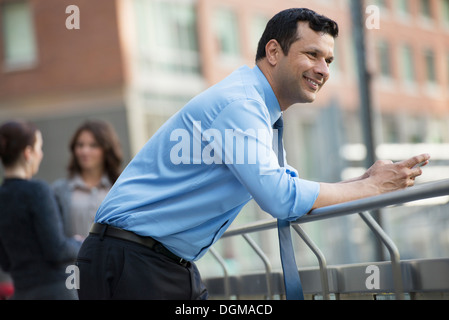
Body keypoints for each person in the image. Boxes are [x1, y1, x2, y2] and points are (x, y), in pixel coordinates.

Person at [76, 8, 430, 300]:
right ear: (274, 52)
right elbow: (279, 197)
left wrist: (364, 180)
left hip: (156, 263)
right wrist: (373, 189)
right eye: (312, 54)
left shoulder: (258, 108)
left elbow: (288, 186)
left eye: (329, 59)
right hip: (133, 263)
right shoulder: (241, 104)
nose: (323, 70)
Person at [0, 120, 82, 300]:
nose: (41, 154)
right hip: (55, 292)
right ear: (28, 153)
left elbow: (5, 262)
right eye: (39, 148)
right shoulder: (38, 191)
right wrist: (80, 243)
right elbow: (57, 250)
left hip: (22, 292)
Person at [52, 119, 123, 238]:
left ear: (106, 149)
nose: (84, 151)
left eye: (93, 145)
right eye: (80, 145)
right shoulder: (59, 190)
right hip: (74, 256)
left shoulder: (119, 189)